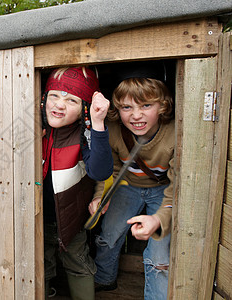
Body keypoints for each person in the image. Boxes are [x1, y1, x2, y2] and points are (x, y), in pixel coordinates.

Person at [88, 61, 175, 300]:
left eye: (146, 105)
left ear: (163, 105)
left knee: (159, 257)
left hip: (163, 191)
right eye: (127, 107)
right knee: (108, 237)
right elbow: (110, 171)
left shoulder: (175, 133)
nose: (136, 115)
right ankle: (105, 280)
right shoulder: (115, 130)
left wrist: (158, 219)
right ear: (117, 108)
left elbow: (178, 188)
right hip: (128, 187)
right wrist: (99, 197)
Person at [42, 66, 113, 300]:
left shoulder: (84, 134)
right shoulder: (37, 130)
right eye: (54, 95)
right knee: (40, 263)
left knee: (78, 263)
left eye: (71, 99)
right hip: (37, 218)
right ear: (44, 98)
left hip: (72, 219)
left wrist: (98, 122)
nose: (59, 104)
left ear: (84, 108)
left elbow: (101, 171)